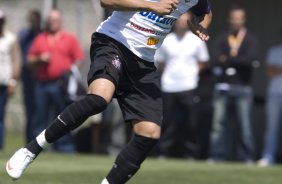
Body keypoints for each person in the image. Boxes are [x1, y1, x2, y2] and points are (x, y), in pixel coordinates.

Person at [6, 0, 212, 183]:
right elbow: (107, 1)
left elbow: (206, 11)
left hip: (144, 63)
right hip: (113, 43)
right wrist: (151, 5)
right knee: (99, 98)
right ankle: (30, 150)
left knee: (149, 133)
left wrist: (199, 25)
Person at [26, 10, 84, 152]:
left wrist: (70, 73)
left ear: (60, 21)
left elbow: (79, 58)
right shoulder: (40, 38)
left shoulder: (69, 39)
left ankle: (65, 148)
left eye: (56, 20)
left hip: (61, 85)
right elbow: (29, 60)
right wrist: (40, 58)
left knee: (63, 118)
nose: (53, 22)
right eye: (51, 20)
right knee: (40, 119)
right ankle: (36, 150)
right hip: (43, 85)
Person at [156, 12, 210, 158]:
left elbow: (203, 61)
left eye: (185, 21)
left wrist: (192, 73)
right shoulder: (167, 40)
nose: (181, 23)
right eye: (179, 20)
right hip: (169, 86)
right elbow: (160, 62)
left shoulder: (196, 40)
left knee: (191, 122)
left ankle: (191, 153)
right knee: (167, 122)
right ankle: (164, 152)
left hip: (189, 86)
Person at [209, 6, 258, 163]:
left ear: (244, 20)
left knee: (245, 126)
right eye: (234, 18)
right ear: (229, 20)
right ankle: (217, 156)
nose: (236, 21)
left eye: (239, 18)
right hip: (222, 87)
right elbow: (215, 59)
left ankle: (247, 157)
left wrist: (227, 58)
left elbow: (248, 60)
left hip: (243, 87)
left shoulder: (251, 38)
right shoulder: (222, 38)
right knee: (218, 125)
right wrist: (236, 59)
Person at [258, 34, 282, 167]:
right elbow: (270, 71)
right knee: (271, 128)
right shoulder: (275, 50)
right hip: (274, 94)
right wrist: (276, 69)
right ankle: (268, 156)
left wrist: (279, 69)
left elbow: (275, 69)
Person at [18, 10, 42, 143]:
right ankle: (29, 139)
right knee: (29, 109)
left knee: (41, 111)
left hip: (41, 77)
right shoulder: (24, 35)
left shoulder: (43, 35)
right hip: (28, 75)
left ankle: (39, 140)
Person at [0, 10, 21, 150]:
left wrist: (13, 82)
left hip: (3, 83)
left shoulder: (10, 38)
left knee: (0, 115)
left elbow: (16, 61)